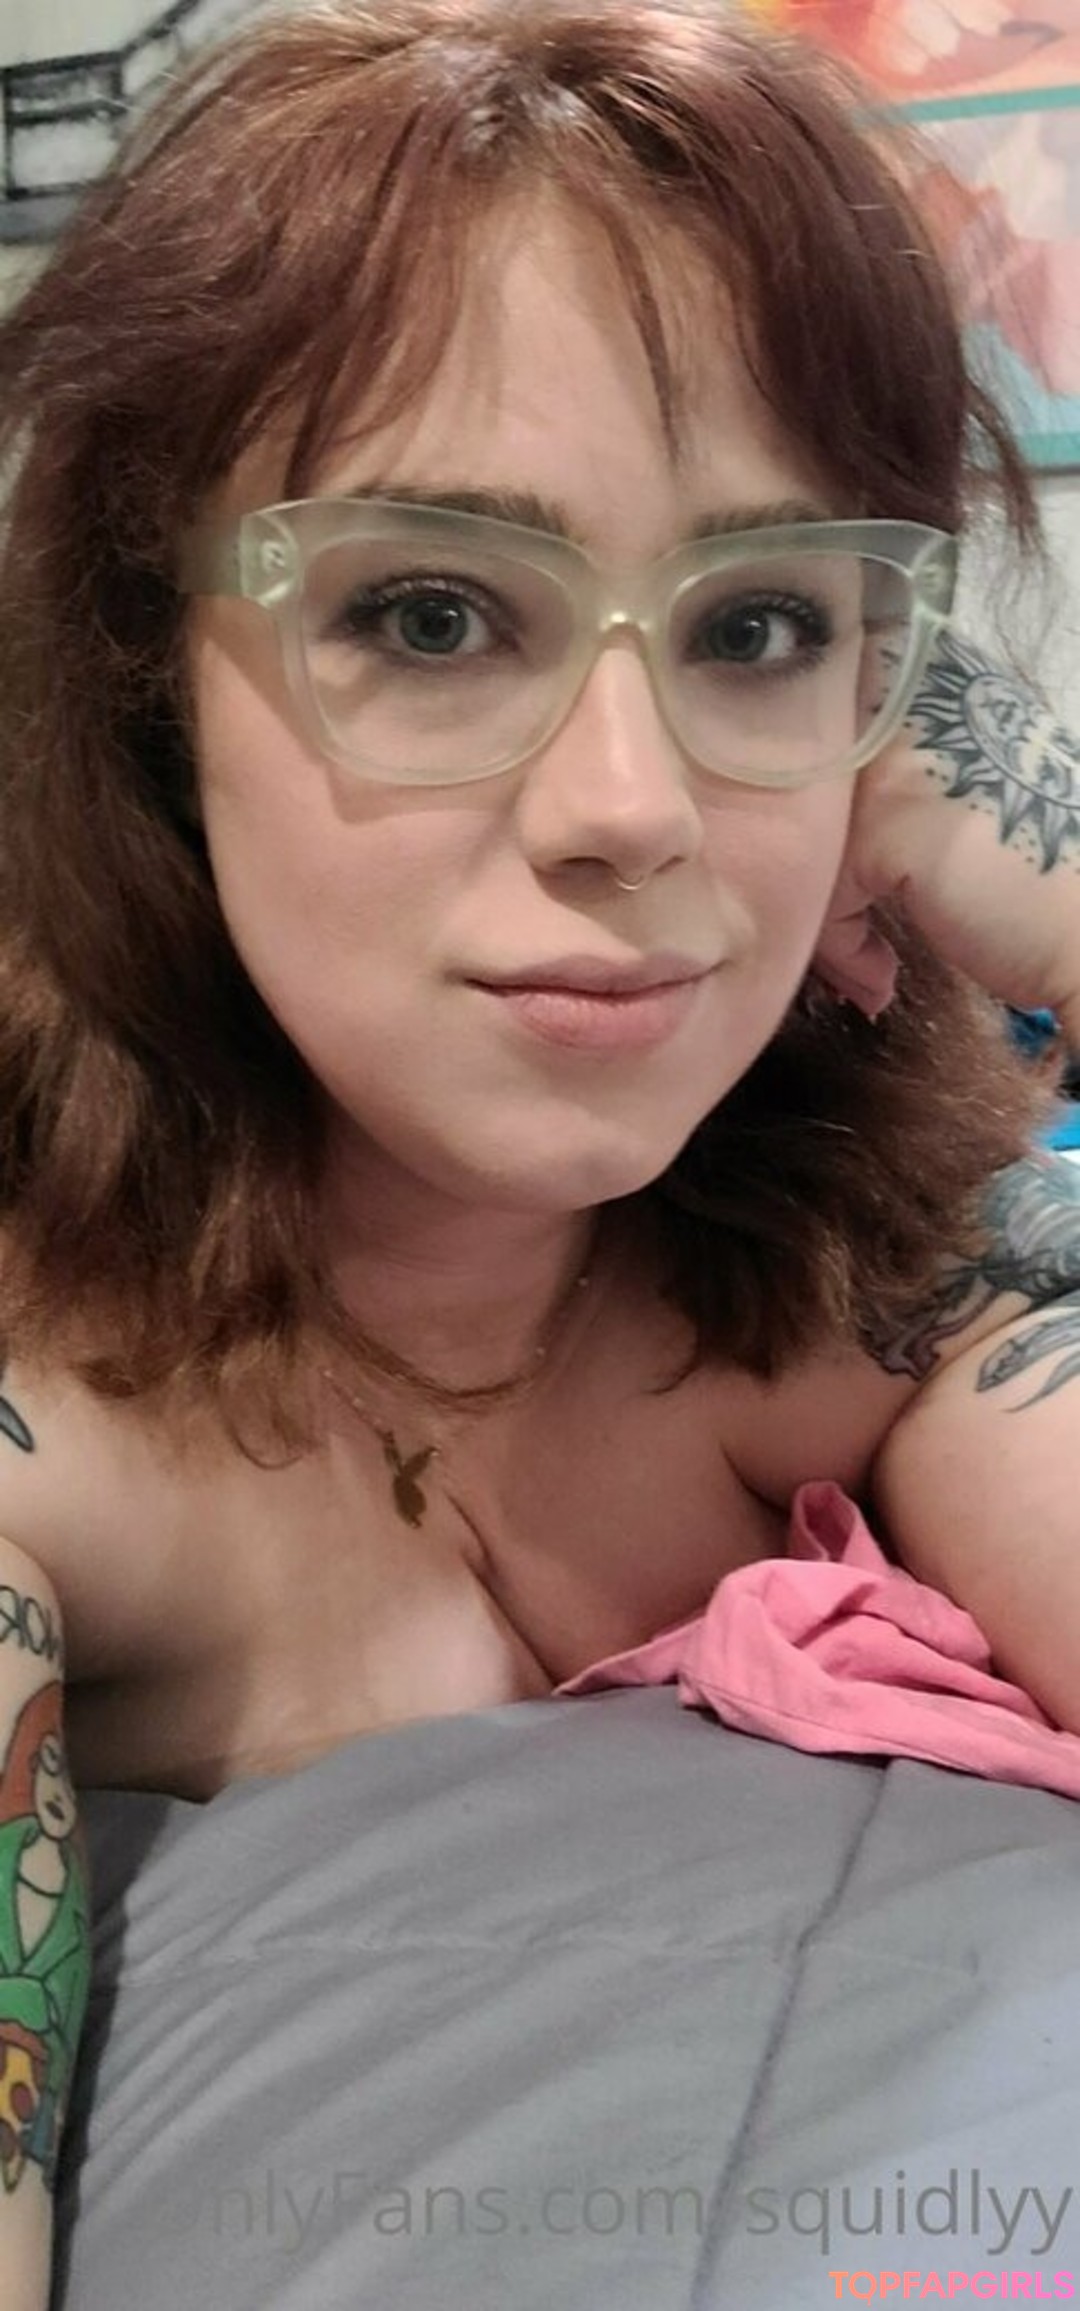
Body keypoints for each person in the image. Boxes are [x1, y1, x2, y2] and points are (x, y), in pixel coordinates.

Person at [0, 0, 1079, 2292]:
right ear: (142, 680)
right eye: (428, 611)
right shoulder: (41, 1439)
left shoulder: (874, 1285)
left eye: (757, 623)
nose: (633, 804)